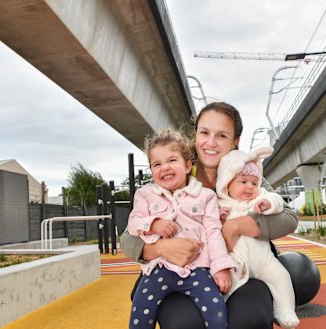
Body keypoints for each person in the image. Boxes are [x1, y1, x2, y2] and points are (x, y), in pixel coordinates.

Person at [121, 102, 299, 329]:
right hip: (183, 271)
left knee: (247, 320)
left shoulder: (244, 173)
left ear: (235, 142)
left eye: (222, 135)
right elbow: (127, 238)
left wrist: (236, 226)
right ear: (195, 134)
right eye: (204, 132)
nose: (211, 143)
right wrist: (162, 248)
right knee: (184, 324)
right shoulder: (173, 170)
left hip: (239, 268)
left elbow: (289, 217)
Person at [127, 128, 235, 329]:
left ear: (187, 165)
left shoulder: (205, 196)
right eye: (157, 164)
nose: (164, 168)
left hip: (197, 269)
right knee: (139, 317)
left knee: (217, 312)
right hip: (158, 269)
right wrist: (154, 223)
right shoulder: (145, 194)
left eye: (171, 160)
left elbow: (213, 233)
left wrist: (221, 267)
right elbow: (133, 224)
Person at [216, 145, 299, 328]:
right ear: (227, 184)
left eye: (254, 183)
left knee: (281, 277)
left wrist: (266, 203)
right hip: (236, 261)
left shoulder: (259, 198)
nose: (250, 187)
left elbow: (278, 203)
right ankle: (217, 313)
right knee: (223, 285)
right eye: (243, 182)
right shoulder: (220, 203)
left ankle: (285, 311)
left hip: (264, 260)